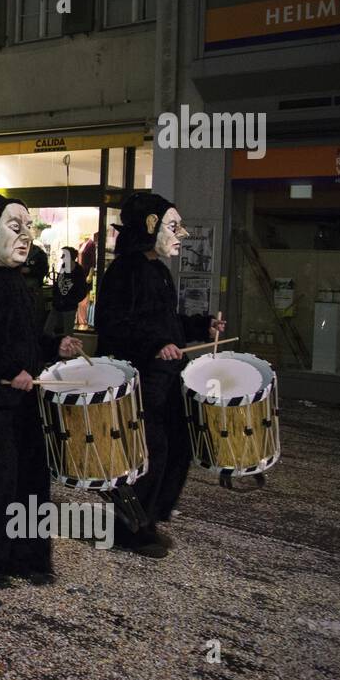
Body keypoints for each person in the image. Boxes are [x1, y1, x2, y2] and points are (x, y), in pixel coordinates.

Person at [0, 194, 82, 590]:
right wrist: (8, 371)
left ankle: (28, 555)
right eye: (15, 227)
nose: (26, 237)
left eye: (29, 228)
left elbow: (23, 341)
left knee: (30, 481)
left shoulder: (19, 282)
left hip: (24, 403)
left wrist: (53, 346)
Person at [95, 193, 223, 558]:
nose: (181, 233)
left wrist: (202, 325)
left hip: (165, 379)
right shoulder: (124, 271)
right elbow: (113, 325)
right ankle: (130, 529)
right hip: (138, 380)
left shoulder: (159, 271)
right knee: (148, 453)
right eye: (173, 226)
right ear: (150, 227)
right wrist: (155, 345)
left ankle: (148, 519)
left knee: (175, 447)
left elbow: (166, 323)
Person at [47, 246, 90, 338]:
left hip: (69, 307)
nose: (62, 257)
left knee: (67, 334)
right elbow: (58, 284)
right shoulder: (64, 267)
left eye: (63, 255)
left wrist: (71, 301)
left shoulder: (78, 271)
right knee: (49, 330)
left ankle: (65, 350)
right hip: (58, 305)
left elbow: (82, 290)